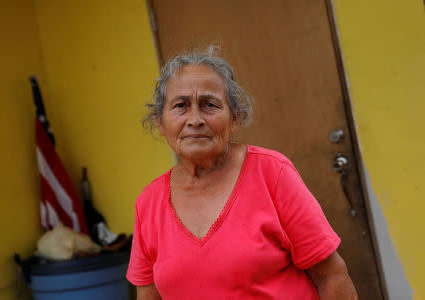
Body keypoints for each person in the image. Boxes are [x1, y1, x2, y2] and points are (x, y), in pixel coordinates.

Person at [126, 47, 358, 299]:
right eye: (180, 105)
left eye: (209, 105)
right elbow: (148, 295)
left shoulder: (271, 173)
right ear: (161, 122)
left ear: (234, 118)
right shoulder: (149, 203)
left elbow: (331, 275)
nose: (195, 119)